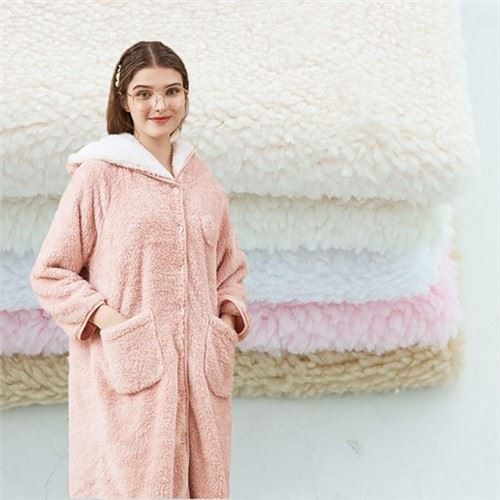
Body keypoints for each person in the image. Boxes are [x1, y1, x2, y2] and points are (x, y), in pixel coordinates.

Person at [30, 40, 251, 499]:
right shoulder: (100, 175)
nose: (160, 105)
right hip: (127, 377)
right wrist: (113, 323)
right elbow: (51, 272)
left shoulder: (203, 182)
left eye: (172, 91)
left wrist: (226, 322)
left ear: (186, 96)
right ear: (124, 101)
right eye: (144, 93)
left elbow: (229, 270)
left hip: (199, 379)